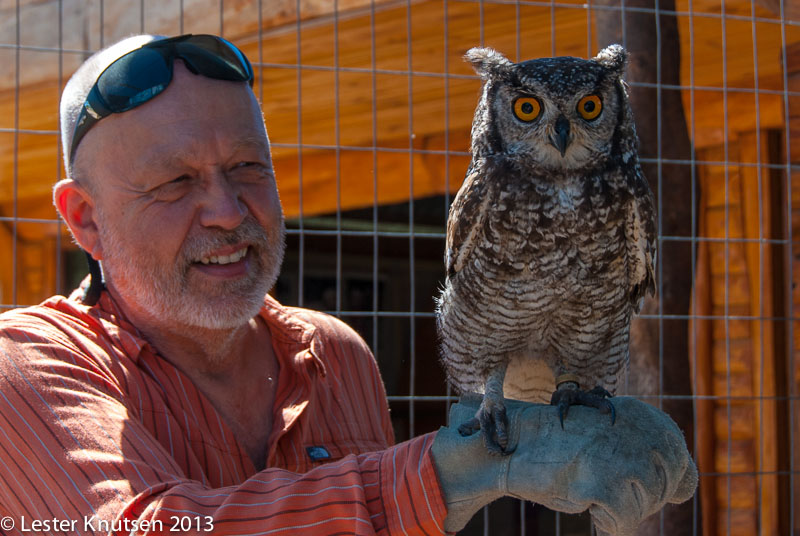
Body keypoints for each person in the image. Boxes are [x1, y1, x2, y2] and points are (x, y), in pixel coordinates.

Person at [0, 33, 696, 535]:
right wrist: (447, 477)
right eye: (174, 183)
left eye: (249, 168)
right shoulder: (25, 364)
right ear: (85, 221)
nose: (226, 211)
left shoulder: (337, 356)